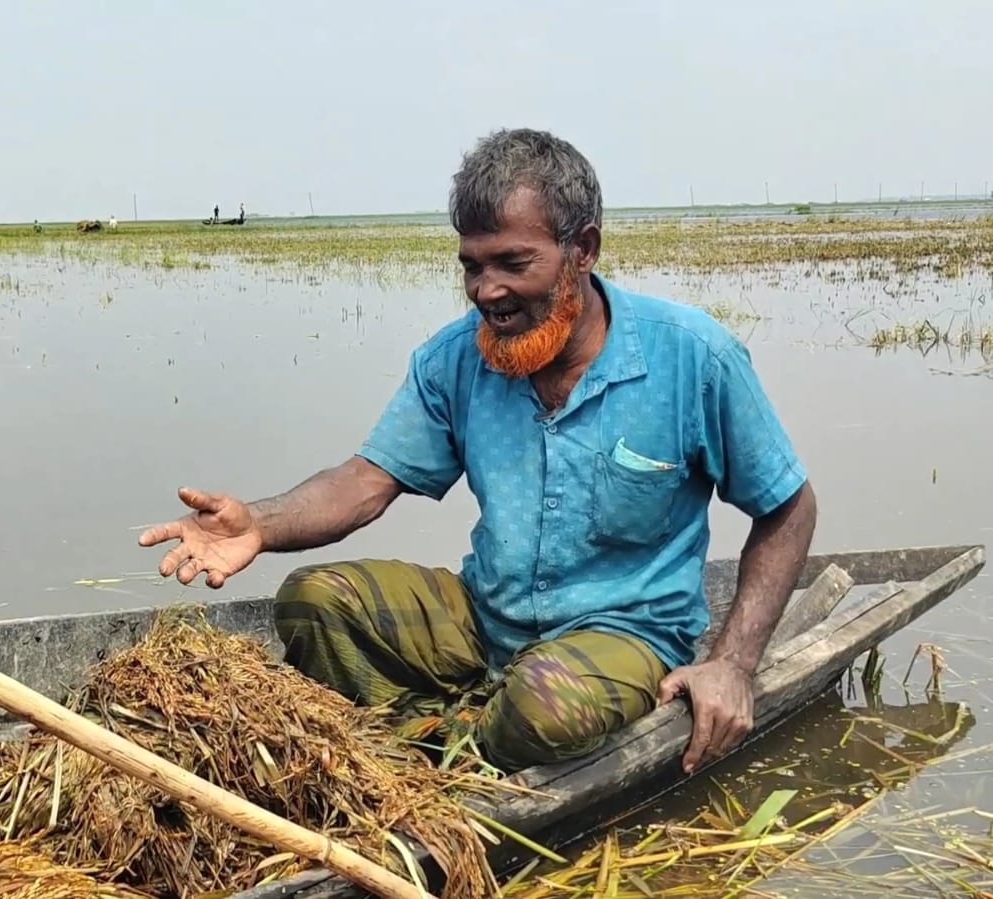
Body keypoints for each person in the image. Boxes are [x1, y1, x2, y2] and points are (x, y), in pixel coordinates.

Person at [138, 127, 818, 775]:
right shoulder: (454, 359)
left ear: (582, 249)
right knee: (315, 601)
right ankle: (432, 734)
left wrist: (731, 664)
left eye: (511, 263)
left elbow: (787, 507)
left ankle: (449, 748)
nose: (485, 290)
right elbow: (362, 482)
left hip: (623, 637)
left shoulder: (691, 357)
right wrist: (258, 522)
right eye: (471, 266)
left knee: (543, 704)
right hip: (485, 620)